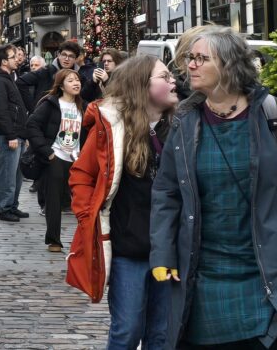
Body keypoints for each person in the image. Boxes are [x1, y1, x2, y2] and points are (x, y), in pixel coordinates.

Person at [150, 26, 277, 349]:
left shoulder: (271, 113)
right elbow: (167, 193)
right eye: (191, 57)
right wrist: (162, 253)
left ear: (228, 65)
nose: (191, 65)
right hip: (202, 273)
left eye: (202, 58)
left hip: (265, 268)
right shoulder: (187, 121)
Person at [67, 55, 176, 350]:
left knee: (162, 335)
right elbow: (81, 175)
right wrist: (88, 217)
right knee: (127, 330)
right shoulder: (112, 127)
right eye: (164, 77)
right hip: (129, 248)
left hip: (171, 249)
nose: (174, 81)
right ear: (142, 84)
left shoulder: (183, 126)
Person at [24, 69, 86, 252]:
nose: (76, 83)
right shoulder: (50, 104)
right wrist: (47, 151)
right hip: (56, 156)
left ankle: (84, 241)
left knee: (80, 199)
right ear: (61, 86)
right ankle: (54, 240)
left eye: (77, 80)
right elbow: (32, 125)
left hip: (77, 158)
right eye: (70, 81)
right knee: (54, 200)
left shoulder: (85, 106)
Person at [0, 44, 28, 223]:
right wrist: (11, 135)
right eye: (12, 57)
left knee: (16, 174)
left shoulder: (7, 77)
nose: (17, 59)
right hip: (7, 135)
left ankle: (12, 205)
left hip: (17, 133)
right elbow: (0, 111)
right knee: (7, 174)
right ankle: (5, 208)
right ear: (4, 61)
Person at [19, 40, 88, 112]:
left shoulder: (79, 77)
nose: (66, 59)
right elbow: (21, 82)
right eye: (64, 55)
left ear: (75, 59)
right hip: (45, 117)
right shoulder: (46, 71)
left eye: (71, 56)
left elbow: (84, 97)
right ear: (58, 55)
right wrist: (33, 108)